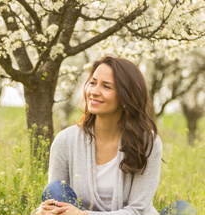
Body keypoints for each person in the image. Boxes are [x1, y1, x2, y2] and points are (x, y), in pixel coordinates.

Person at [32, 56, 197, 215]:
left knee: (184, 210)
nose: (94, 92)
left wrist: (85, 214)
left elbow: (138, 210)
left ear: (126, 96)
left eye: (106, 86)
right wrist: (42, 211)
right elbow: (55, 201)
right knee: (53, 189)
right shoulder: (66, 140)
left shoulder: (147, 141)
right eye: (92, 83)